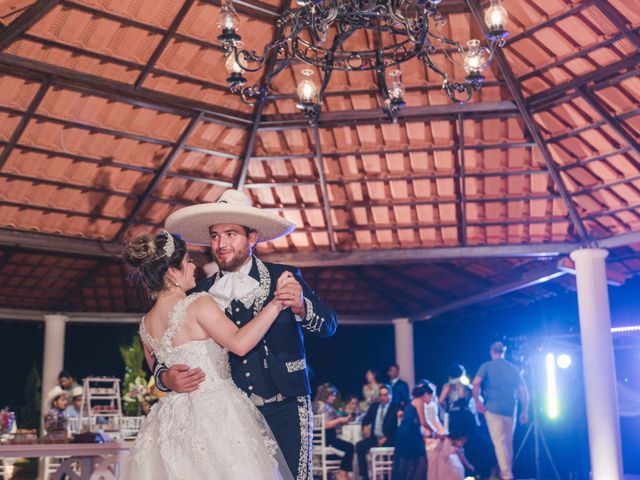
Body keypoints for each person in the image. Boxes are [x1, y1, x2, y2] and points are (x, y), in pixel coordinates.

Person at [154, 189, 338, 480]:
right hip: (233, 417)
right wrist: (165, 378)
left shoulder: (284, 275)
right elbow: (167, 345)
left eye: (230, 234)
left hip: (287, 406)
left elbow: (329, 326)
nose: (221, 244)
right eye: (215, 236)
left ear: (252, 238)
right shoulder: (199, 294)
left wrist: (302, 307)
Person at [121, 231, 294, 479]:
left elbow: (157, 372)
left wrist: (167, 379)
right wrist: (277, 303)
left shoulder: (145, 323)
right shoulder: (198, 303)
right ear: (172, 271)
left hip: (170, 421)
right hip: (216, 414)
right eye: (188, 261)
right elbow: (240, 343)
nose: (194, 266)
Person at [473, 341, 529, 480]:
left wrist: (477, 401)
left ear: (491, 352)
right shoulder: (513, 368)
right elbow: (524, 392)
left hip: (492, 408)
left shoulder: (486, 366)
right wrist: (524, 411)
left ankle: (506, 474)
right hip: (511, 409)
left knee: (499, 442)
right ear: (504, 352)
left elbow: (476, 383)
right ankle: (508, 472)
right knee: (508, 443)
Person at [391, 382, 436, 480]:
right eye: (430, 396)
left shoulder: (414, 401)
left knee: (410, 464)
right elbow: (423, 421)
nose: (431, 399)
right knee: (414, 463)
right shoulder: (419, 402)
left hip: (408, 433)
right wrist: (433, 431)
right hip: (409, 435)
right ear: (425, 394)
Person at [312, 383, 354, 480]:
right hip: (327, 439)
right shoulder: (321, 405)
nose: (334, 398)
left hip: (323, 439)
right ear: (325, 394)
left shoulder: (322, 405)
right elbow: (325, 424)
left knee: (346, 446)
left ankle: (340, 473)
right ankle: (342, 473)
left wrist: (344, 419)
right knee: (349, 447)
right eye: (332, 395)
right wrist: (339, 420)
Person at [356, 384, 398, 480]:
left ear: (391, 395)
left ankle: (388, 477)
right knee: (360, 445)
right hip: (375, 437)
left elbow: (397, 428)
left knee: (388, 448)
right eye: (381, 395)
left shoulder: (395, 407)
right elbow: (366, 419)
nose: (383, 397)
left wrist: (386, 437)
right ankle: (364, 476)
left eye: (385, 395)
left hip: (389, 438)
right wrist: (365, 426)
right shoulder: (374, 406)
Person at [439, 364, 477, 435]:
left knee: (455, 436)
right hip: (465, 412)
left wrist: (446, 407)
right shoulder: (467, 385)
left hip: (454, 413)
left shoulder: (448, 386)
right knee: (467, 435)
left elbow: (440, 401)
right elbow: (473, 395)